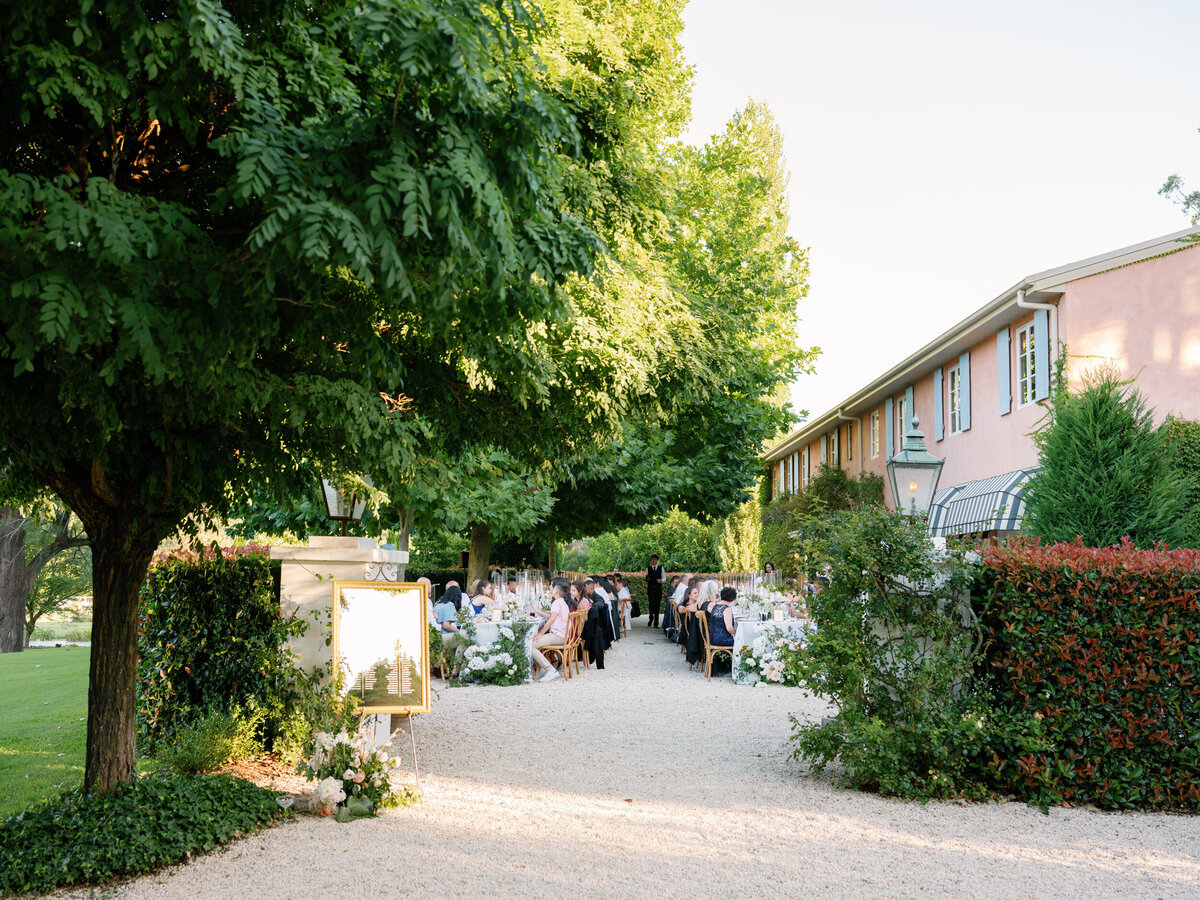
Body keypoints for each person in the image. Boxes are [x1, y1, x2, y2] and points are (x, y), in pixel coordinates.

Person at [531, 584, 569, 682]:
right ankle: (543, 669)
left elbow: (551, 619)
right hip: (563, 635)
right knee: (534, 641)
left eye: (552, 587)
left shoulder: (556, 602)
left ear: (556, 591)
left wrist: (540, 633)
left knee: (530, 645)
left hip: (558, 636)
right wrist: (538, 611)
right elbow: (551, 616)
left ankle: (549, 669)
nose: (550, 588)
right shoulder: (562, 602)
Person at [433, 585, 470, 674]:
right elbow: (446, 625)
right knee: (465, 639)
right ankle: (455, 669)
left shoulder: (439, 604)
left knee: (459, 639)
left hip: (436, 637)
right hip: (443, 636)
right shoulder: (449, 605)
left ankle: (447, 666)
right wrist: (459, 631)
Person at [708, 586, 738, 656]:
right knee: (742, 641)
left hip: (711, 638)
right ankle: (734, 665)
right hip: (722, 640)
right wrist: (737, 633)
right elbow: (729, 628)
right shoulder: (727, 608)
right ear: (732, 598)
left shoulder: (715, 606)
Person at [646, 554, 665, 628]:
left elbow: (664, 578)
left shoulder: (661, 568)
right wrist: (646, 579)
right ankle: (650, 619)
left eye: (654, 559)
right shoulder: (648, 568)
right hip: (650, 589)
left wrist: (660, 580)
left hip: (658, 589)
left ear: (657, 560)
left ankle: (656, 623)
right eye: (652, 559)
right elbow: (646, 577)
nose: (653, 561)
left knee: (657, 605)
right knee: (651, 604)